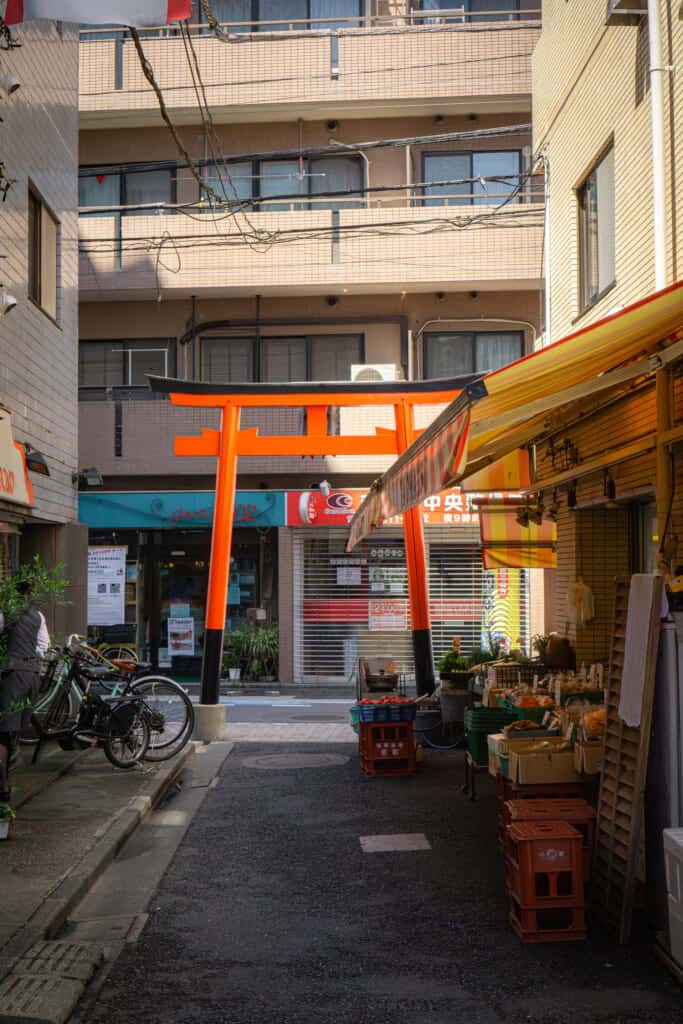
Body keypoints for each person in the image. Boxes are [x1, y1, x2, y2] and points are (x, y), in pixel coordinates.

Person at [0, 579, 49, 803]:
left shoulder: (6, 613)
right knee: (13, 729)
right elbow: (43, 647)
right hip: (32, 676)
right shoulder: (38, 616)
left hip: (14, 676)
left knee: (3, 731)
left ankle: (3, 787)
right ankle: (10, 767)